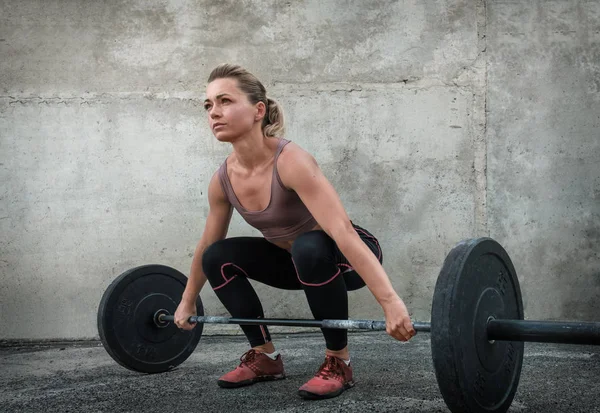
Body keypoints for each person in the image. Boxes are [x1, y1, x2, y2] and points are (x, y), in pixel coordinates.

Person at [174, 64, 415, 400]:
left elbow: (342, 231)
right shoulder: (222, 179)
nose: (214, 112)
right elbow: (206, 245)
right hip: (295, 263)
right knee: (217, 256)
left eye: (225, 101)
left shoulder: (291, 161)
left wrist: (390, 302)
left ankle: (338, 361)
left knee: (309, 245)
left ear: (258, 110)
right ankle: (265, 357)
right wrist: (187, 302)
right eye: (208, 105)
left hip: (346, 255)